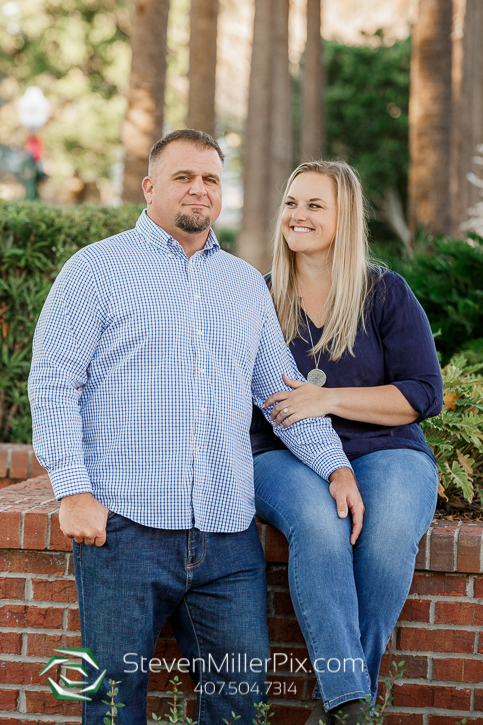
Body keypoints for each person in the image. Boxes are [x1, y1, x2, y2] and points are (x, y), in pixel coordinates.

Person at [28, 131, 363, 725]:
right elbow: (54, 385)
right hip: (124, 530)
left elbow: (280, 392)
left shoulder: (242, 285)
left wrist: (333, 465)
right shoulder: (94, 270)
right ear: (150, 187)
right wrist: (72, 490)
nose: (199, 190)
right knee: (112, 703)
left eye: (210, 178)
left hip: (226, 538)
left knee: (240, 699)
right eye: (184, 177)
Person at [250, 160, 443, 725]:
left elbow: (423, 393)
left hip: (387, 449)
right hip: (281, 452)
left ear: (345, 217)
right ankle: (352, 705)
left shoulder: (384, 292)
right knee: (319, 523)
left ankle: (339, 703)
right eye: (291, 203)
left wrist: (329, 400)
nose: (297, 215)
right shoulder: (257, 298)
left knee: (384, 540)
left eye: (315, 205)